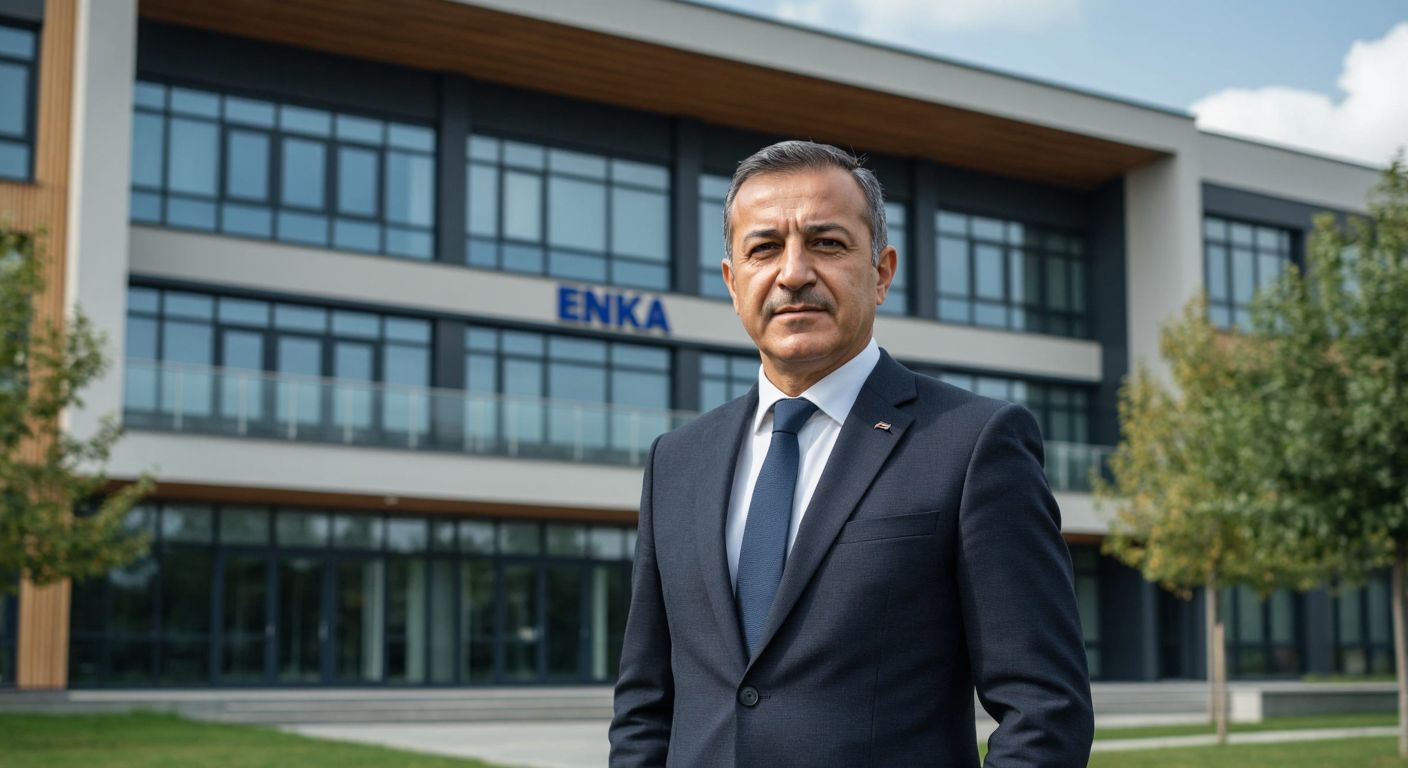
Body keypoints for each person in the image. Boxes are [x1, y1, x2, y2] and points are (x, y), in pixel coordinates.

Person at [609, 140, 1094, 767]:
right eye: (763, 248)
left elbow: (1045, 708)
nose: (793, 273)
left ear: (882, 271)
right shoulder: (676, 461)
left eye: (827, 244)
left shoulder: (974, 443)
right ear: (733, 283)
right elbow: (646, 707)